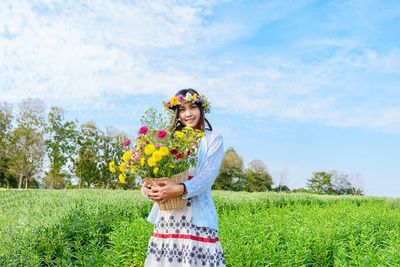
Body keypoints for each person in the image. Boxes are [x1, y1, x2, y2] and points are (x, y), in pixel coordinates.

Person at [141, 88, 226, 266]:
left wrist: (180, 189)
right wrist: (148, 188)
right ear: (176, 114)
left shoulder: (212, 139)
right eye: (182, 109)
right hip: (169, 217)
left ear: (201, 110)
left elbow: (207, 176)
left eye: (193, 107)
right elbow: (154, 173)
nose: (188, 114)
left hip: (198, 219)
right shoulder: (167, 141)